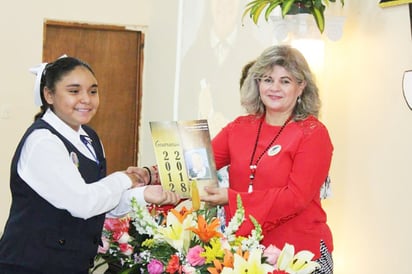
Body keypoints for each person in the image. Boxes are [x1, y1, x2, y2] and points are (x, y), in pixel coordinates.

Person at [0, 56, 179, 274]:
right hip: (30, 265)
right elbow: (82, 203)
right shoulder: (43, 142)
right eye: (74, 91)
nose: (86, 99)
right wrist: (125, 178)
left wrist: (144, 195)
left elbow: (100, 203)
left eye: (93, 91)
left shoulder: (90, 138)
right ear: (49, 95)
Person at [201, 45, 334, 273]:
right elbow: (199, 161)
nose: (274, 88)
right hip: (245, 254)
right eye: (267, 79)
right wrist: (149, 174)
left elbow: (296, 198)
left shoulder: (313, 133)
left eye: (285, 81)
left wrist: (232, 199)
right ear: (257, 83)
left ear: (301, 87)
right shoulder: (240, 128)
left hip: (300, 255)